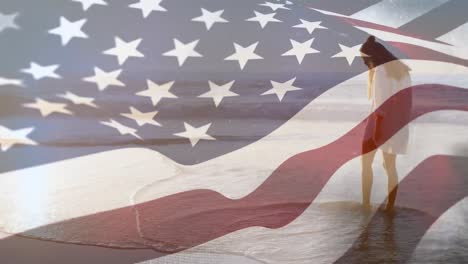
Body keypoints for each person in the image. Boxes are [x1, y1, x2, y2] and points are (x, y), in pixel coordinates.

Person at [359, 36, 412, 211]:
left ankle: (365, 205)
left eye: (364, 60)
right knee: (390, 166)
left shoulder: (381, 72)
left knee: (366, 165)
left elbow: (380, 106)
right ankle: (390, 207)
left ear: (372, 57)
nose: (365, 64)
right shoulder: (403, 71)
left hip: (378, 124)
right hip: (397, 125)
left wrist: (377, 132)